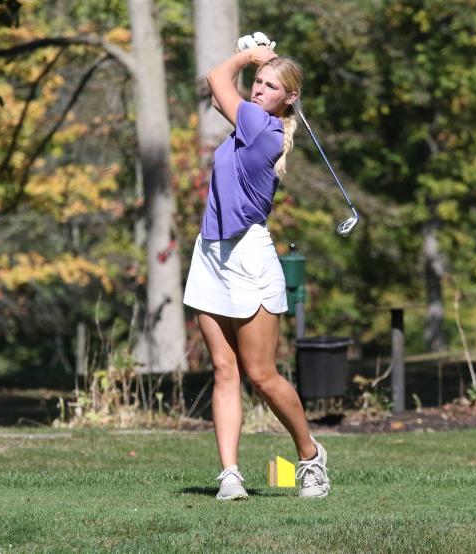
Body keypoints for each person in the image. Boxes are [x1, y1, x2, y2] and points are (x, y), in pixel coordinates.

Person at [183, 44, 330, 500]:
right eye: (259, 83)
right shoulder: (247, 119)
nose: (261, 89)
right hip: (210, 252)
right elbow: (216, 96)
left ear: (288, 99)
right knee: (224, 370)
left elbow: (215, 78)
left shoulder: (263, 127)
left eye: (271, 86)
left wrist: (247, 57)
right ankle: (230, 474)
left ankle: (310, 457)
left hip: (248, 256)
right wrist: (250, 62)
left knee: (261, 374)